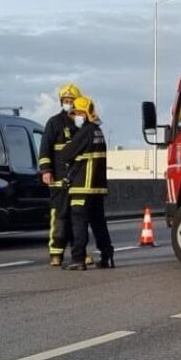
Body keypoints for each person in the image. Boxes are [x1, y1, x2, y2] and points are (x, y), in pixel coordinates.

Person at [58, 96, 114, 271]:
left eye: (78, 113)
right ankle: (107, 256)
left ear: (86, 113)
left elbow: (66, 154)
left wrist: (66, 145)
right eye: (74, 114)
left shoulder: (86, 132)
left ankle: (78, 259)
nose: (76, 117)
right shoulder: (98, 131)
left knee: (78, 222)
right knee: (98, 223)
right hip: (97, 187)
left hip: (83, 185)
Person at [38, 83, 82, 267]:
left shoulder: (81, 123)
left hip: (78, 178)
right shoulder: (54, 122)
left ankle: (79, 252)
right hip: (58, 177)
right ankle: (56, 253)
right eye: (65, 101)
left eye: (71, 101)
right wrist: (46, 171)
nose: (68, 104)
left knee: (78, 218)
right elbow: (45, 148)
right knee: (60, 216)